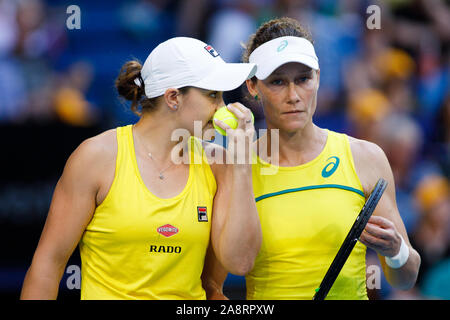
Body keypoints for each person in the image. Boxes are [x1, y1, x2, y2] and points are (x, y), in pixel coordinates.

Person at [20, 37, 262, 300]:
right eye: (212, 95)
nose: (223, 109)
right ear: (173, 98)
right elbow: (47, 266)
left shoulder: (220, 164)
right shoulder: (96, 158)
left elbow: (236, 267)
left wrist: (241, 166)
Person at [214, 17, 421, 300]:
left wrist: (396, 251)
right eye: (277, 82)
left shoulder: (365, 157)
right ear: (252, 86)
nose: (293, 95)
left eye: (303, 79)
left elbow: (406, 278)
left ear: (319, 77)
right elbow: (222, 276)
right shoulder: (233, 168)